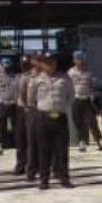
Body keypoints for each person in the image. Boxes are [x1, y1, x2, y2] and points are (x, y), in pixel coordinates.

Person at [33, 54, 74, 190]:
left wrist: (60, 107)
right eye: (46, 63)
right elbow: (30, 98)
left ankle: (64, 178)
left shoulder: (65, 78)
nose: (50, 65)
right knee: (44, 150)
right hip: (43, 116)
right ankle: (44, 180)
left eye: (52, 62)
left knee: (62, 150)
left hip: (60, 116)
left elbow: (71, 95)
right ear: (42, 64)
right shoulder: (36, 79)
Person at [68, 51, 102, 152]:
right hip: (76, 99)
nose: (80, 61)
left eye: (81, 59)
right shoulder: (71, 73)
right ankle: (82, 142)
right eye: (78, 59)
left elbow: (92, 85)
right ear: (74, 60)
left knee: (92, 121)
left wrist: (93, 94)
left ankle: (99, 141)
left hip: (87, 99)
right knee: (79, 122)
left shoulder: (88, 72)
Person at [0, 57, 19, 157]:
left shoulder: (15, 77)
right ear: (1, 67)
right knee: (0, 126)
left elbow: (18, 90)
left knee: (16, 126)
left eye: (8, 67)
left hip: (13, 103)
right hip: (2, 103)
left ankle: (19, 145)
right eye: (4, 66)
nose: (6, 68)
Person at [12, 57, 34, 175]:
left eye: (26, 64)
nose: (24, 66)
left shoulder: (34, 77)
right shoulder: (17, 78)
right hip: (20, 110)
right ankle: (20, 164)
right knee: (20, 139)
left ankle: (33, 165)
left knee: (32, 139)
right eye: (23, 64)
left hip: (32, 109)